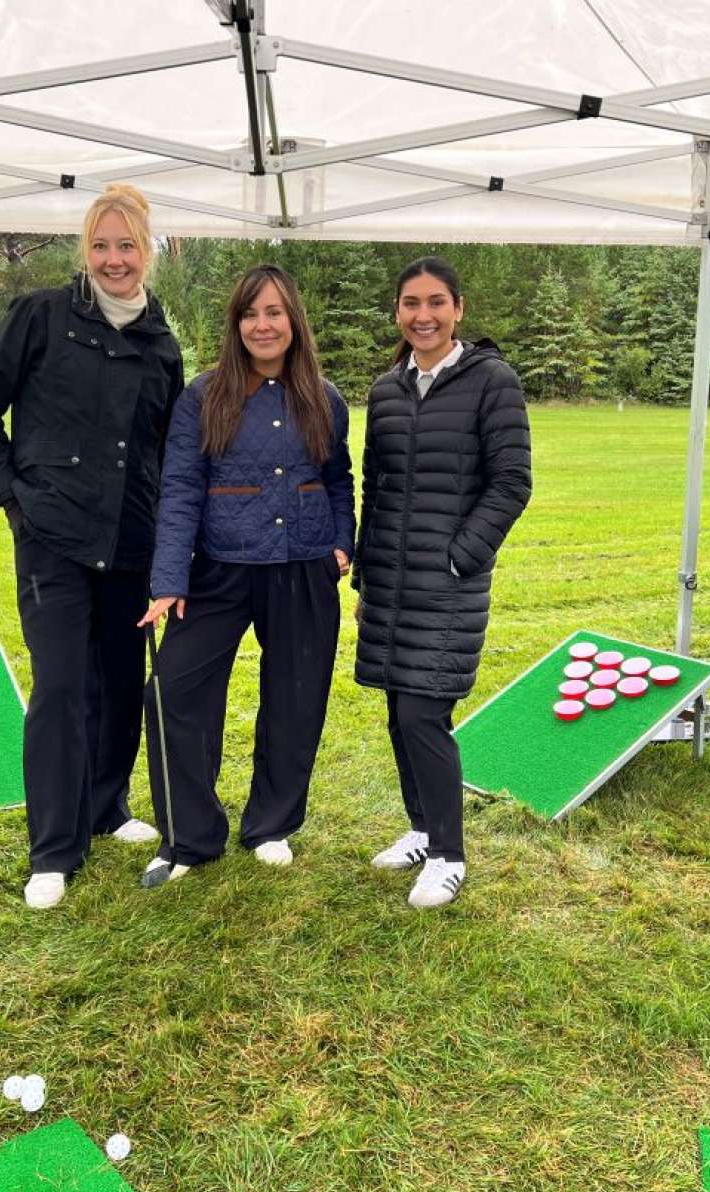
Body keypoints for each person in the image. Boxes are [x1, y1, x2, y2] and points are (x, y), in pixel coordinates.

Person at [0, 184, 184, 910]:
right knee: (60, 688)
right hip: (52, 539)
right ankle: (54, 848)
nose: (115, 260)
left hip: (131, 542)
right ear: (85, 250)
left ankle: (106, 806)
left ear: (148, 252)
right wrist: (12, 499)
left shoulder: (162, 345)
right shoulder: (40, 315)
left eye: (127, 246)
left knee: (118, 683)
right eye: (101, 246)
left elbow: (161, 452)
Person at [137, 264, 355, 887]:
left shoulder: (324, 398)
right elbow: (181, 487)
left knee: (296, 698)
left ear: (293, 322)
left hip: (303, 568)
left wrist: (342, 544)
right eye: (251, 314)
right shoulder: (203, 397)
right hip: (218, 571)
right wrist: (169, 579)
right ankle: (189, 837)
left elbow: (338, 477)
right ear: (236, 324)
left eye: (274, 312)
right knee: (173, 692)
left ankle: (271, 824)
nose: (263, 325)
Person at [352, 256, 532, 909]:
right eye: (411, 303)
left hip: (448, 585)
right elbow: (374, 488)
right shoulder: (386, 390)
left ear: (457, 309)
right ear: (397, 312)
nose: (422, 315)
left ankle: (449, 855)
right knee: (398, 711)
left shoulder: (492, 382)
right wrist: (365, 575)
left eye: (435, 302)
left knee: (423, 713)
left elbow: (511, 483)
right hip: (389, 585)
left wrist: (461, 558)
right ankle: (423, 830)